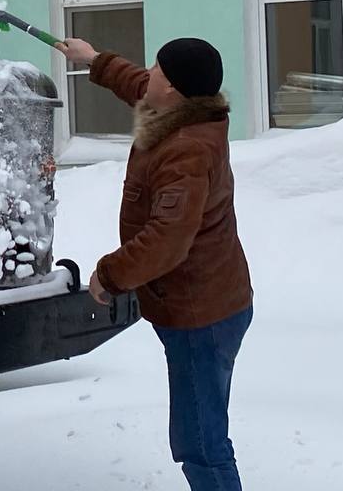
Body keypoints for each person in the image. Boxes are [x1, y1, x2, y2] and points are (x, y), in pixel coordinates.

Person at [55, 36, 253, 491]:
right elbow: (139, 83)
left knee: (201, 443)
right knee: (201, 435)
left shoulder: (187, 149)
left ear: (177, 91)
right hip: (206, 302)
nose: (151, 74)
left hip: (200, 314)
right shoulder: (185, 111)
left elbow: (167, 240)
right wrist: (95, 61)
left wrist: (110, 274)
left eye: (160, 71)